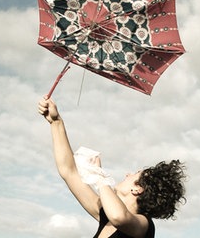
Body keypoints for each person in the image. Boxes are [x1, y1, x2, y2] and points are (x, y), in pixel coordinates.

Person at [38, 97, 186, 238]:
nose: (128, 174)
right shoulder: (105, 216)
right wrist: (56, 122)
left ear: (138, 189)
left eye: (134, 174)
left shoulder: (144, 226)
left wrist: (100, 176)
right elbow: (69, 172)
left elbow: (119, 217)